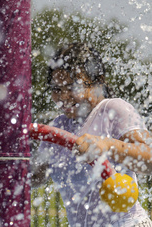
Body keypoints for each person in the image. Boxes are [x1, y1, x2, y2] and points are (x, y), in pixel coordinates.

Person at [31, 43, 152, 226]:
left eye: (72, 86)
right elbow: (32, 177)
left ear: (98, 81)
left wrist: (107, 145)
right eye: (56, 88)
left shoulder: (113, 110)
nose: (63, 96)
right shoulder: (58, 126)